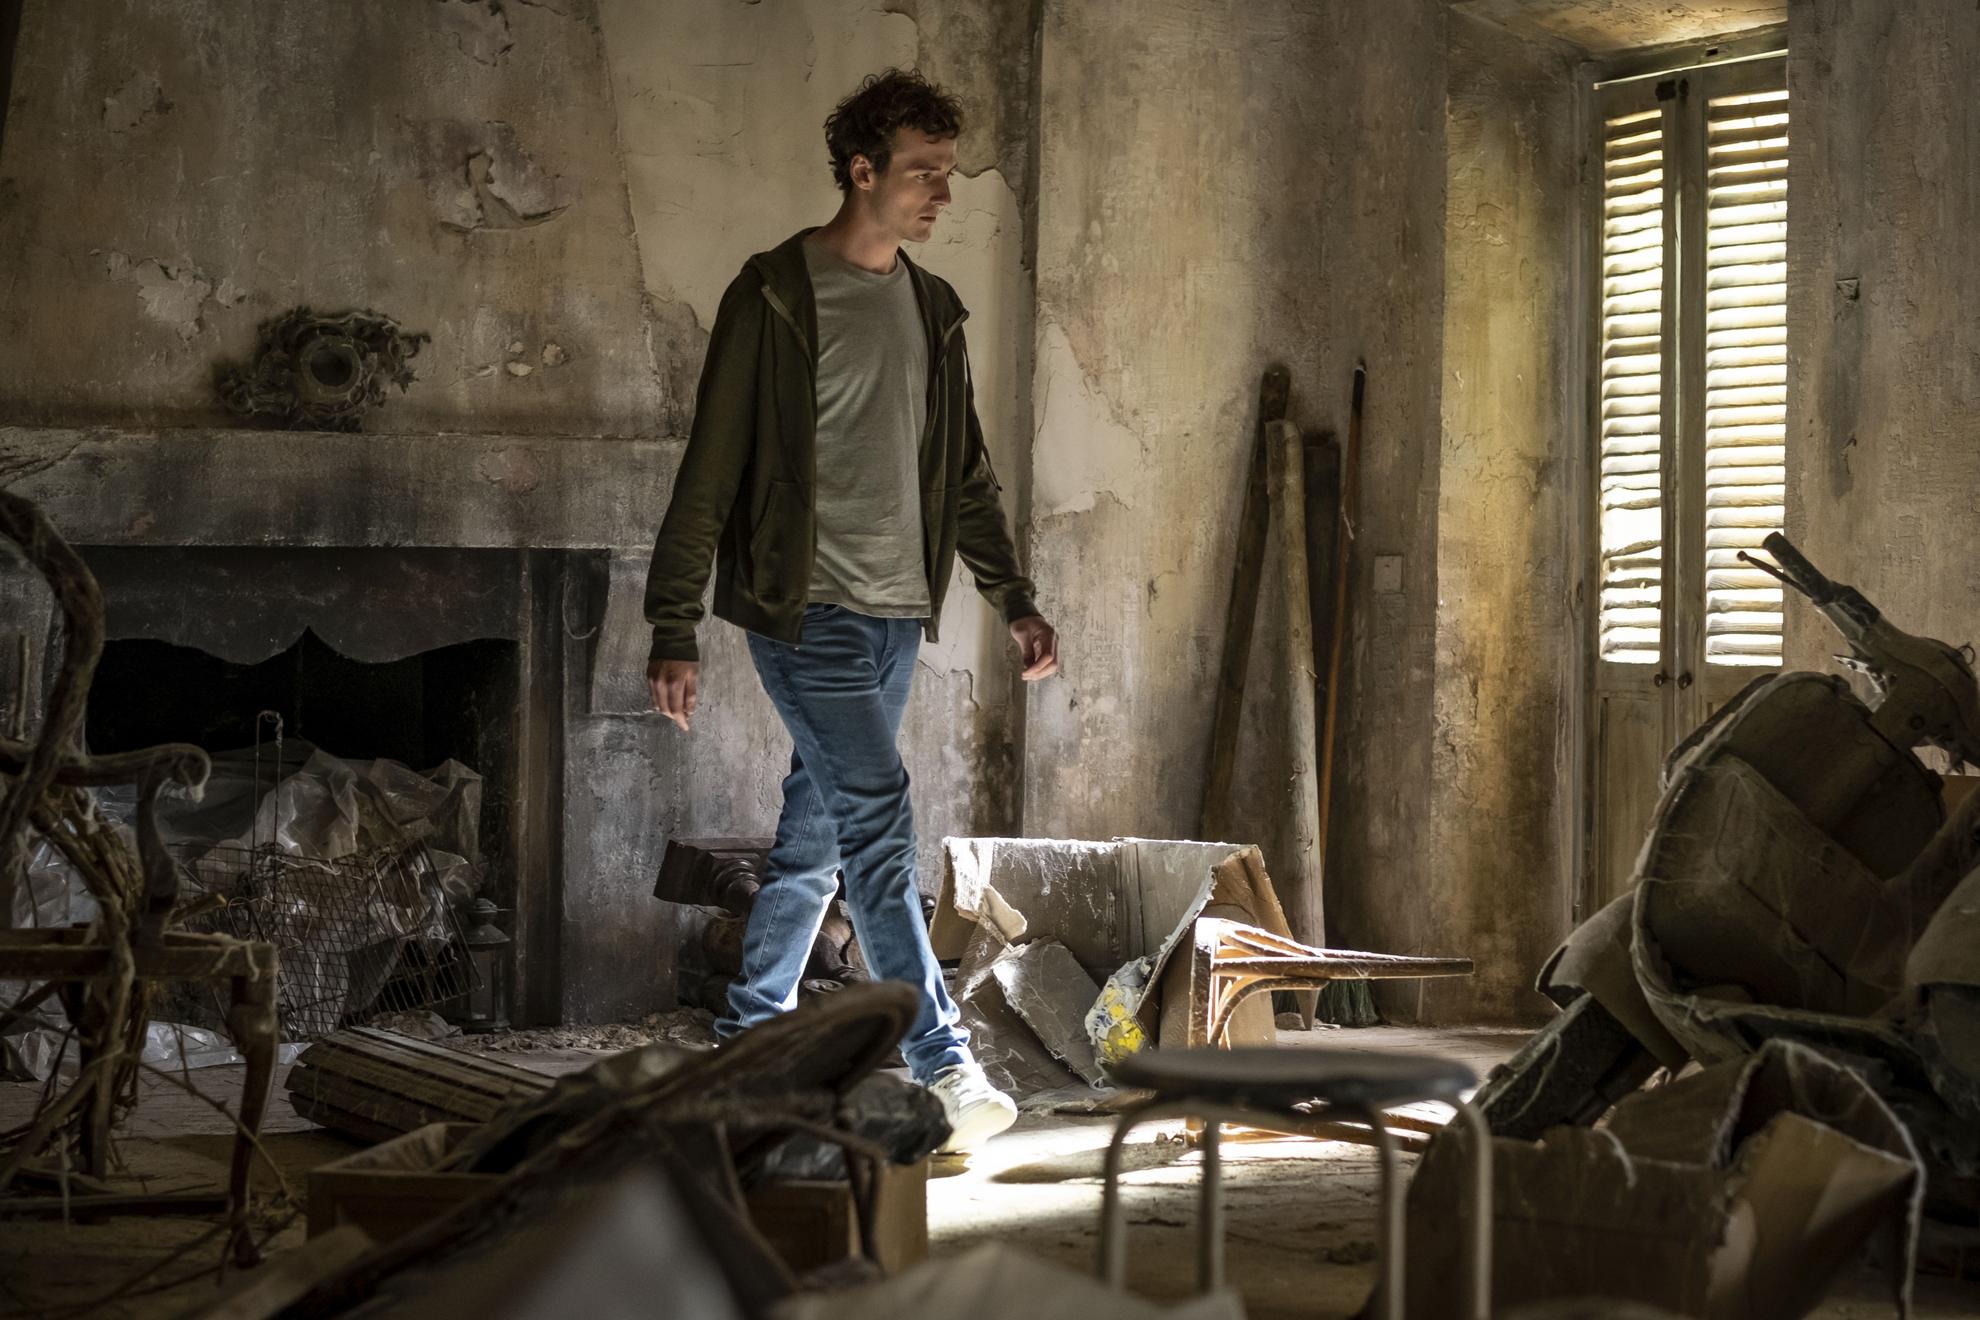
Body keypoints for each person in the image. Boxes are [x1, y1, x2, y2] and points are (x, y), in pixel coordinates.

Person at [642, 68, 1058, 1153]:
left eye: (948, 174)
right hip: (807, 613)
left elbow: (965, 476)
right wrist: (674, 623)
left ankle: (746, 1044)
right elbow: (710, 470)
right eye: (924, 173)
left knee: (816, 841)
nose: (943, 194)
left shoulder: (932, 307)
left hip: (895, 617)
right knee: (879, 825)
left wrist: (1013, 598)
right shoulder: (774, 294)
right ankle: (944, 1063)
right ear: (862, 172)